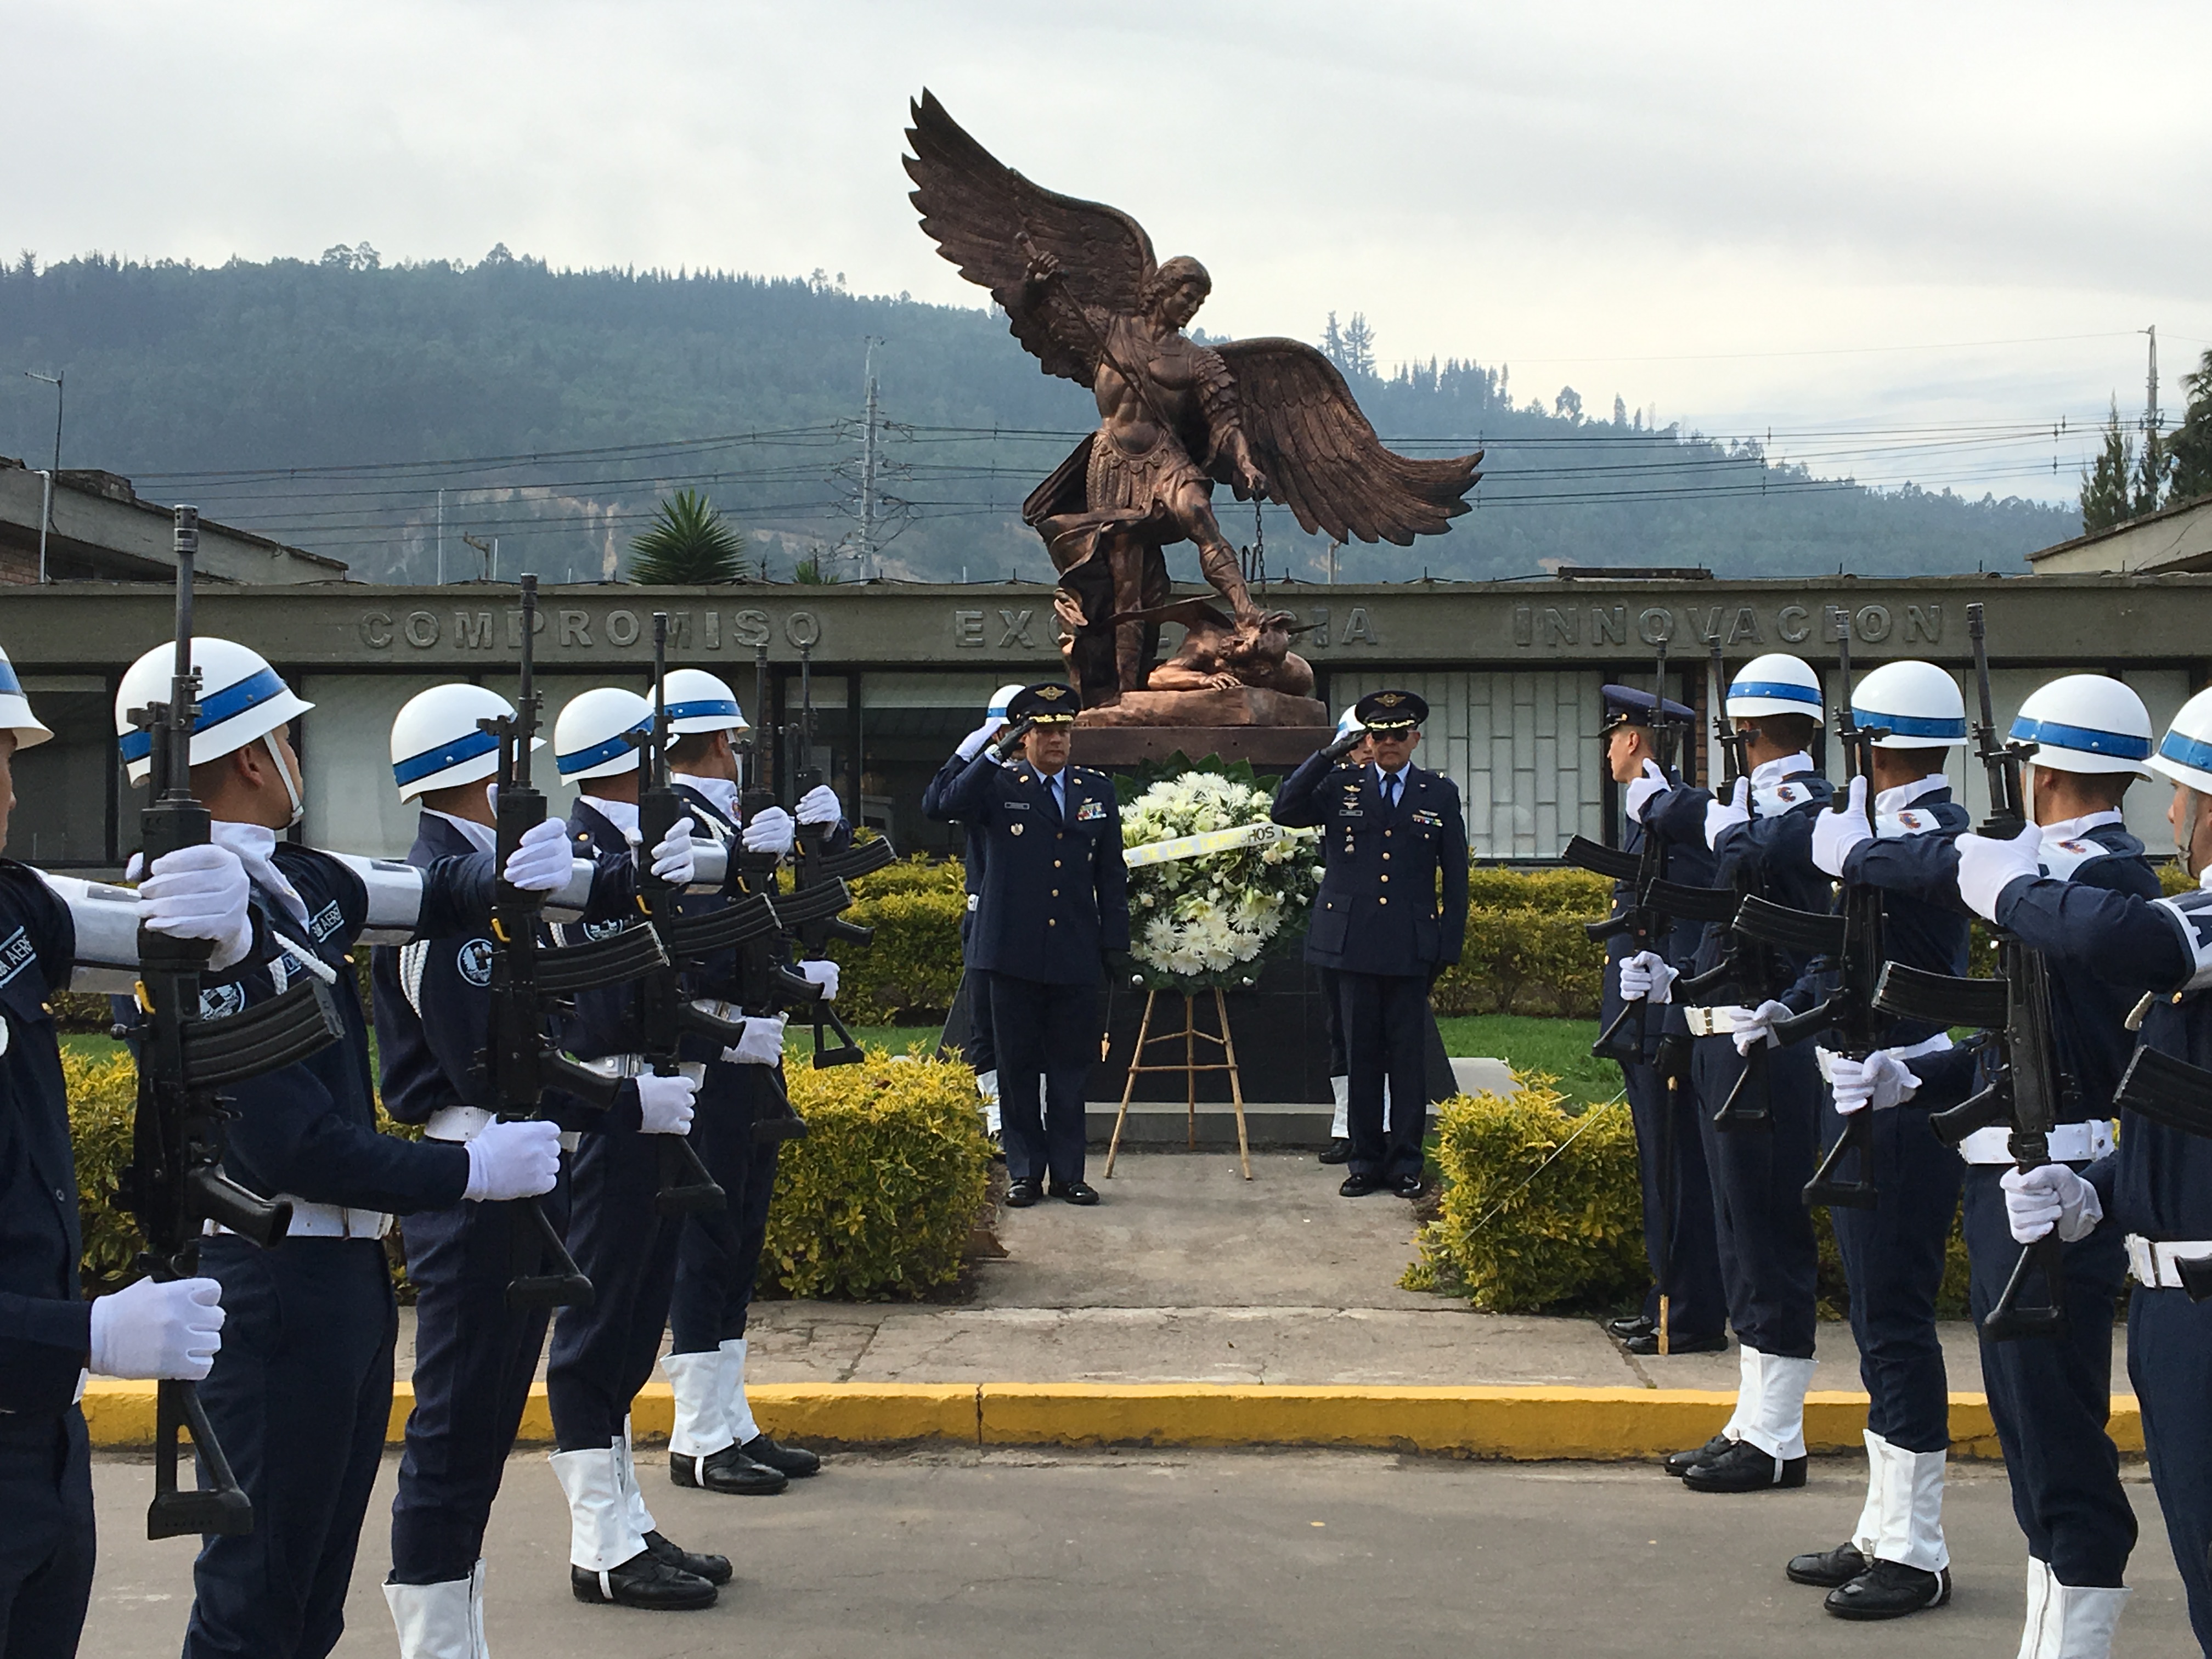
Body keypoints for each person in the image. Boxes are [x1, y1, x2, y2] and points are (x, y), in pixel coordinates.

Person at [106, 637, 655, 1659]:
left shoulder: (297, 880)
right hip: (269, 1282)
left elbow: (425, 894)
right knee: (255, 1602)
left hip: (341, 1275)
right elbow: (294, 1146)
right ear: (250, 756)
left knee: (312, 1596)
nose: (294, 755)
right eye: (283, 736)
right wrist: (466, 1172)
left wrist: (506, 870)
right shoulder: (181, 917)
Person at [1832, 673, 2158, 1657]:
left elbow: (2081, 1049)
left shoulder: (2098, 888)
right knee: (2028, 1429)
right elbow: (2015, 1037)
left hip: (2058, 1194)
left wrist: (2012, 888)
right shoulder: (2054, 879)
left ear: (2043, 770)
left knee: (2056, 1439)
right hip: (2009, 1179)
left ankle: (2070, 1640)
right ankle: (2050, 1630)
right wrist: (1913, 1070)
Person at [0, 645, 255, 1659]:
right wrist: (89, 1331)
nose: (13, 794)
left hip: (40, 1444)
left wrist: (214, 911)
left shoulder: (7, 906)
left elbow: (119, 925)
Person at [1961, 682, 2212, 1657]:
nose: (2176, 816)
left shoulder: (2178, 921)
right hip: (2171, 1301)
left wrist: (2006, 887)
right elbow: (2175, 1127)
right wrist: (2094, 1190)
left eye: (2188, 795)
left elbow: (2130, 935)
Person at [1767, 659, 1977, 1620]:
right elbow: (1839, 947)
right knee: (1872, 1319)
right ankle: (1882, 1523)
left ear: (1870, 744)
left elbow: (1927, 869)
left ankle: (1918, 1548)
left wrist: (1849, 850)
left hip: (1907, 1090)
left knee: (1893, 1322)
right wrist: (1795, 1005)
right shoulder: (1875, 829)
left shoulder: (1937, 832)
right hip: (1850, 1082)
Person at [538, 684, 733, 1610]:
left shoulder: (630, 850)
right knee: (595, 1327)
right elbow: (598, 997)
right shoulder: (578, 855)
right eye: (651, 749)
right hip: (608, 1107)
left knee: (631, 1323)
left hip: (654, 1100)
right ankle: (598, 1541)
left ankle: (626, 1517)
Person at [1638, 652, 1832, 1492]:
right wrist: (1674, 982)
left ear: (1744, 735)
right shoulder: (1758, 804)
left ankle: (1778, 1432)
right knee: (1734, 1234)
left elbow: (1756, 850)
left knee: (1765, 1236)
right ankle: (1754, 1420)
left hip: (1770, 1045)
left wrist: (1676, 806)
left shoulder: (1801, 808)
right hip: (1724, 1036)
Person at [654, 667, 834, 1498]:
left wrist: (797, 974)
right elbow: (691, 943)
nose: (737, 756)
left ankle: (731, 1420)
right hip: (709, 1049)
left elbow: (760, 929)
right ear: (718, 744)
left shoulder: (728, 823)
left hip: (751, 1046)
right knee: (708, 1240)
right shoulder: (675, 830)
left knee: (740, 1237)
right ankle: (696, 1432)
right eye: (731, 742)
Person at [926, 682, 1128, 1207]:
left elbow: (1110, 873)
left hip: (1074, 949)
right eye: (1044, 729)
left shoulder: (1095, 791)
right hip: (1010, 951)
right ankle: (1024, 1170)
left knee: (1068, 1068)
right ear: (1025, 735)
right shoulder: (998, 784)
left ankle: (1068, 1173)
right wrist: (988, 749)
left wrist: (1115, 943)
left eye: (1065, 728)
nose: (1057, 739)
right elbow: (940, 803)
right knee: (1016, 1068)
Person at [1272, 690, 1468, 1200]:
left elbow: (1457, 877)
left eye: (1398, 735)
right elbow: (1285, 809)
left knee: (1406, 1060)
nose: (1388, 745)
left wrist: (1448, 946)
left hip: (1409, 945)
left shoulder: (1437, 794)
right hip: (1351, 943)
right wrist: (1327, 755)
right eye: (1378, 735)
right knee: (1359, 1055)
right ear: (1367, 739)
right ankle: (1363, 1160)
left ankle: (1405, 1161)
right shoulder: (1342, 785)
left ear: (1415, 738)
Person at [1593, 682, 1728, 1358]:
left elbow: (1703, 903)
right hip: (1638, 1017)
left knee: (1678, 1171)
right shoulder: (1644, 813)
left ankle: (1690, 1311)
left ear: (1634, 740)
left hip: (1663, 1016)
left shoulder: (1673, 813)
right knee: (1660, 1169)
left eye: (1613, 739)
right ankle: (1665, 1296)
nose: (1609, 752)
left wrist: (1671, 970)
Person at [926, 684, 1026, 1147]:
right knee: (986, 1030)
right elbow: (936, 803)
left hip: (1032, 917)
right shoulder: (981, 780)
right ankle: (997, 1121)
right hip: (985, 919)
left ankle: (1030, 1118)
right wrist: (969, 751)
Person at [1316, 704, 1380, 1168]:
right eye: (1352, 746)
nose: (1360, 754)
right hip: (1337, 930)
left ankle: (1386, 1124)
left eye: (1364, 744)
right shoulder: (1333, 790)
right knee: (1340, 1030)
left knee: (1386, 1037)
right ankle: (1345, 1126)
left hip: (1383, 933)